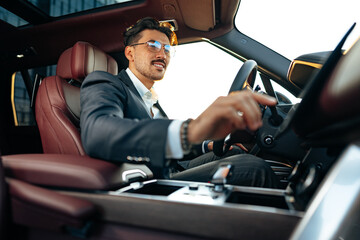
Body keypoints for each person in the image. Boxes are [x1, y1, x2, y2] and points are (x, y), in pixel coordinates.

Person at [80, 17, 279, 188]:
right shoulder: (105, 82)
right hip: (146, 184)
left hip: (170, 169)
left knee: (233, 151)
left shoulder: (150, 99)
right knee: (253, 169)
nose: (162, 54)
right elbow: (98, 133)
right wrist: (190, 130)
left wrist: (206, 145)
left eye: (167, 49)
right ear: (130, 53)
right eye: (153, 45)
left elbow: (168, 145)